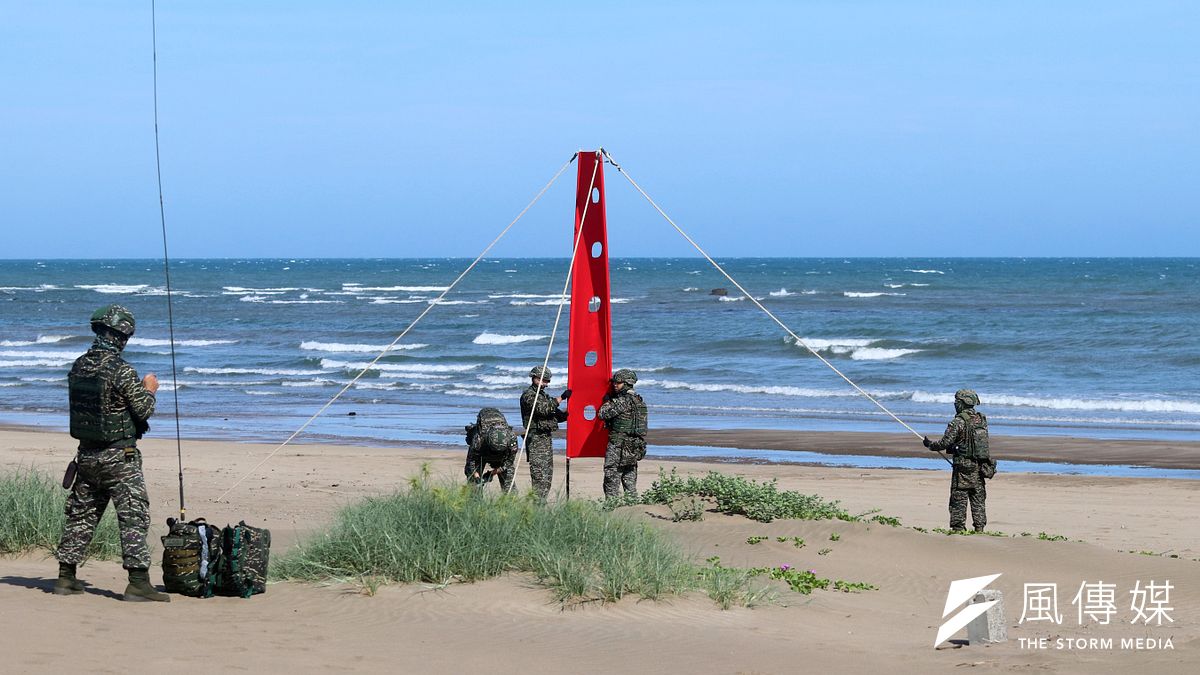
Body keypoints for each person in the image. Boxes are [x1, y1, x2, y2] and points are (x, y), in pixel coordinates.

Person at [56, 304, 169, 602]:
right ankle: (138, 583)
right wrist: (150, 389)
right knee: (133, 516)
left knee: (81, 515)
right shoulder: (121, 371)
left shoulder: (79, 366)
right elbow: (143, 410)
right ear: (122, 335)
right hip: (120, 457)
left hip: (86, 455)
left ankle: (66, 577)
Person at [924, 389, 991, 532]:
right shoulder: (981, 419)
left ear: (962, 403)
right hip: (980, 466)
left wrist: (930, 445)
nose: (955, 404)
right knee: (978, 497)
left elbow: (944, 443)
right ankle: (980, 529)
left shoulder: (958, 422)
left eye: (957, 401)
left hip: (963, 468)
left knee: (959, 498)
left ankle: (958, 530)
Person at [519, 365, 569, 500]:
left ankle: (541, 502)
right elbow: (543, 409)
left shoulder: (543, 396)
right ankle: (537, 504)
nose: (546, 384)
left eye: (547, 381)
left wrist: (567, 413)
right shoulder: (529, 396)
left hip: (545, 439)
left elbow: (555, 415)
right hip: (536, 439)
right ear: (535, 378)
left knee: (547, 476)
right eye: (544, 380)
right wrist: (561, 398)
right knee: (539, 475)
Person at [597, 369, 648, 499]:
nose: (615, 385)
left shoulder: (622, 401)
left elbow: (602, 414)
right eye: (614, 382)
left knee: (611, 477)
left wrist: (607, 402)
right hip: (633, 446)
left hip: (618, 445)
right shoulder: (639, 401)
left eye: (618, 382)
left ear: (626, 383)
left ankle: (612, 506)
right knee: (630, 479)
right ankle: (632, 505)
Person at [464, 407, 518, 492]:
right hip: (482, 453)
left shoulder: (511, 440)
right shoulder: (479, 440)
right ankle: (474, 499)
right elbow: (471, 461)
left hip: (503, 457)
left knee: (509, 483)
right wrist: (476, 476)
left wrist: (492, 473)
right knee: (474, 483)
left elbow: (509, 462)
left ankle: (510, 499)